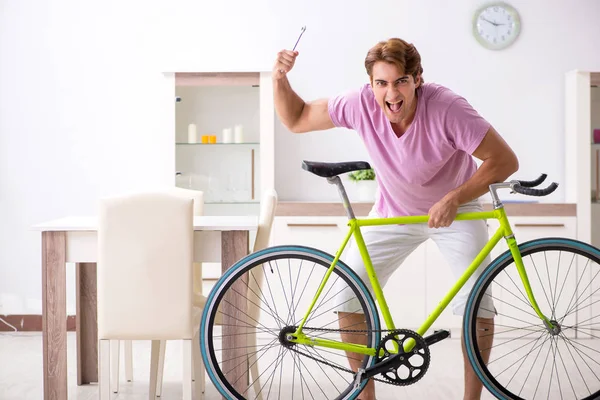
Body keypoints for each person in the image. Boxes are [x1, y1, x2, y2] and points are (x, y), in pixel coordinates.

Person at [272, 37, 519, 400]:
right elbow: (297, 118)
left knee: (477, 302)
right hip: (394, 211)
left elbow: (504, 160)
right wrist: (279, 78)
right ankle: (365, 397)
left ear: (417, 79)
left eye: (400, 81)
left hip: (457, 209)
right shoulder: (359, 103)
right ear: (371, 84)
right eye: (381, 83)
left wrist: (455, 198)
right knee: (347, 296)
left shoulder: (448, 108)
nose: (391, 93)